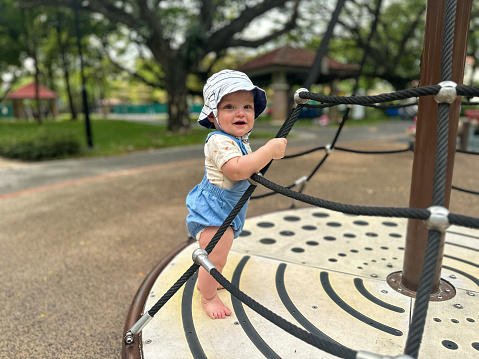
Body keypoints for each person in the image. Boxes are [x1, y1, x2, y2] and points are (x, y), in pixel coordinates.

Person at [186, 69, 287, 319]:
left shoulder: (238, 139)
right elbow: (237, 169)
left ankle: (206, 280)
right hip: (214, 210)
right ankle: (208, 297)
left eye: (247, 106)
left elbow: (247, 165)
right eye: (229, 106)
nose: (240, 112)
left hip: (228, 208)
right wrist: (268, 151)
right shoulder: (219, 141)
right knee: (214, 258)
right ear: (213, 115)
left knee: (219, 255)